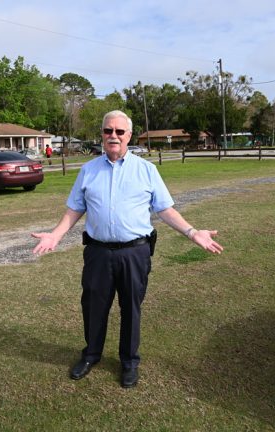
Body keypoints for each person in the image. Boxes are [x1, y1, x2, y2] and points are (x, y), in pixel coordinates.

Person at [31, 110, 223, 388]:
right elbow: (75, 209)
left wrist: (193, 233)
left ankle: (129, 362)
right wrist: (56, 235)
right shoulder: (89, 170)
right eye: (108, 131)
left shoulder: (146, 170)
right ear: (102, 135)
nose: (113, 136)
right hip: (97, 253)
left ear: (129, 136)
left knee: (131, 308)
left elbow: (165, 210)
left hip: (135, 252)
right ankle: (91, 354)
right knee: (93, 306)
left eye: (120, 132)